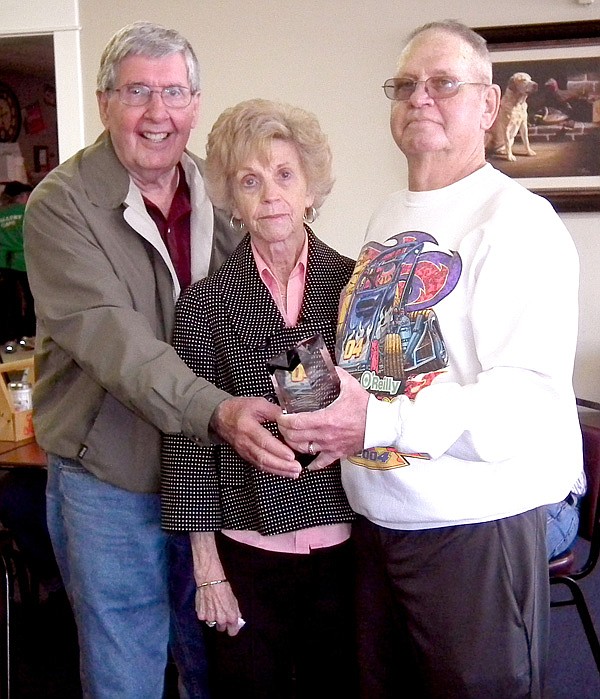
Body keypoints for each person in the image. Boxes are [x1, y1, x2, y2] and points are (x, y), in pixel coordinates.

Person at [279, 20, 583, 698]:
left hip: (473, 531)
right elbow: (383, 362)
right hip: (382, 520)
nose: (420, 98)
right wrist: (339, 425)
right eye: (405, 85)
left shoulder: (517, 222)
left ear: (489, 105)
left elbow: (521, 406)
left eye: (443, 83)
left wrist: (377, 426)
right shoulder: (390, 212)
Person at [23, 22, 298, 699]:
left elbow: (270, 300)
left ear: (196, 104)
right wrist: (219, 410)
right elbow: (116, 342)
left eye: (174, 92)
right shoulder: (60, 207)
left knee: (214, 657)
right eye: (137, 91)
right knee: (128, 667)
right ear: (104, 101)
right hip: (111, 478)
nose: (157, 113)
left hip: (208, 473)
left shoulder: (223, 191)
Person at [161, 99, 357, 699]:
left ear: (310, 189)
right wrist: (207, 567)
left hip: (346, 544)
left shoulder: (354, 286)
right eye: (250, 179)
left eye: (284, 174)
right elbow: (188, 439)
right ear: (231, 199)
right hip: (245, 547)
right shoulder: (201, 305)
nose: (270, 194)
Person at [0, 180, 35, 342]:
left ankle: (9, 335)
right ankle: (29, 332)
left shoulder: (1, 213)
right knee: (30, 298)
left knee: (9, 300)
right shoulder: (28, 211)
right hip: (25, 261)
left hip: (4, 262)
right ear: (21, 196)